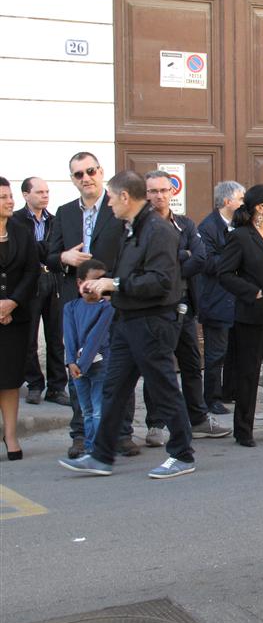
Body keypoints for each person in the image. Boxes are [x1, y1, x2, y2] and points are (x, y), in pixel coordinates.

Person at [58, 169, 197, 479]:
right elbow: (124, 273)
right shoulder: (131, 229)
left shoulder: (158, 231)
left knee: (163, 388)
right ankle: (101, 456)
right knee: (113, 388)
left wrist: (115, 284)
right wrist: (100, 284)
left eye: (110, 198)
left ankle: (182, 454)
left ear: (124, 197)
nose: (108, 204)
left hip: (152, 321)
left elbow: (161, 282)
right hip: (127, 321)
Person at [48, 152, 133, 458]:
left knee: (119, 365)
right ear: (72, 179)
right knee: (78, 367)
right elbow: (48, 253)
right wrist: (63, 257)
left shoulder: (117, 209)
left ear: (101, 172)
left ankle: (122, 433)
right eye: (78, 174)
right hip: (78, 302)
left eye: (90, 171)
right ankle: (81, 433)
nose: (85, 178)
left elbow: (130, 251)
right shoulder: (64, 212)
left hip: (112, 299)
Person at [141, 171, 230, 446]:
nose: (159, 195)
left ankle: (199, 420)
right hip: (154, 309)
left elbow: (200, 259)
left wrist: (171, 261)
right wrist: (182, 256)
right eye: (153, 191)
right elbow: (145, 265)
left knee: (192, 365)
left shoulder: (186, 225)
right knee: (158, 367)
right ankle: (155, 424)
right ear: (146, 194)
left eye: (164, 190)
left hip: (185, 307)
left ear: (172, 192)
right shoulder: (141, 226)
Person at [218, 184, 263, 447]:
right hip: (251, 315)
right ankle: (244, 430)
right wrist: (252, 292)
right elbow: (223, 273)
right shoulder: (240, 237)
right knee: (248, 373)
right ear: (259, 208)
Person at [15, 177, 68, 406]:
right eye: (39, 192)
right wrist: (41, 250)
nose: (45, 196)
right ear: (26, 195)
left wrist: (39, 250)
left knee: (56, 336)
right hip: (30, 282)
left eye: (46, 192)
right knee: (29, 337)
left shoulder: (55, 221)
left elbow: (56, 250)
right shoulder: (16, 220)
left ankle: (57, 387)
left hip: (54, 281)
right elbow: (22, 251)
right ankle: (35, 384)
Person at [0, 177, 40, 460]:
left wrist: (11, 303)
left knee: (11, 380)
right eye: (3, 197)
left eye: (10, 196)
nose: (10, 201)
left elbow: (31, 270)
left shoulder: (21, 229)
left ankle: (11, 436)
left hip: (15, 318)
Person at [197, 180, 244, 415]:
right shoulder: (208, 227)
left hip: (236, 299)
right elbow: (206, 262)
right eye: (240, 198)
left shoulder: (239, 224)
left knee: (234, 349)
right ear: (228, 202)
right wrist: (234, 261)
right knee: (216, 353)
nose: (243, 203)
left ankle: (230, 390)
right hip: (216, 300)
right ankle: (211, 398)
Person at [63, 259, 114, 454]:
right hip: (77, 367)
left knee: (98, 409)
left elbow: (96, 338)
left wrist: (80, 365)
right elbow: (69, 336)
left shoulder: (107, 308)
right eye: (93, 281)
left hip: (99, 364)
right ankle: (90, 444)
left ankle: (96, 448)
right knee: (86, 410)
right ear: (79, 283)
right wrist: (70, 362)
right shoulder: (71, 307)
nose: (97, 286)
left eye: (102, 281)